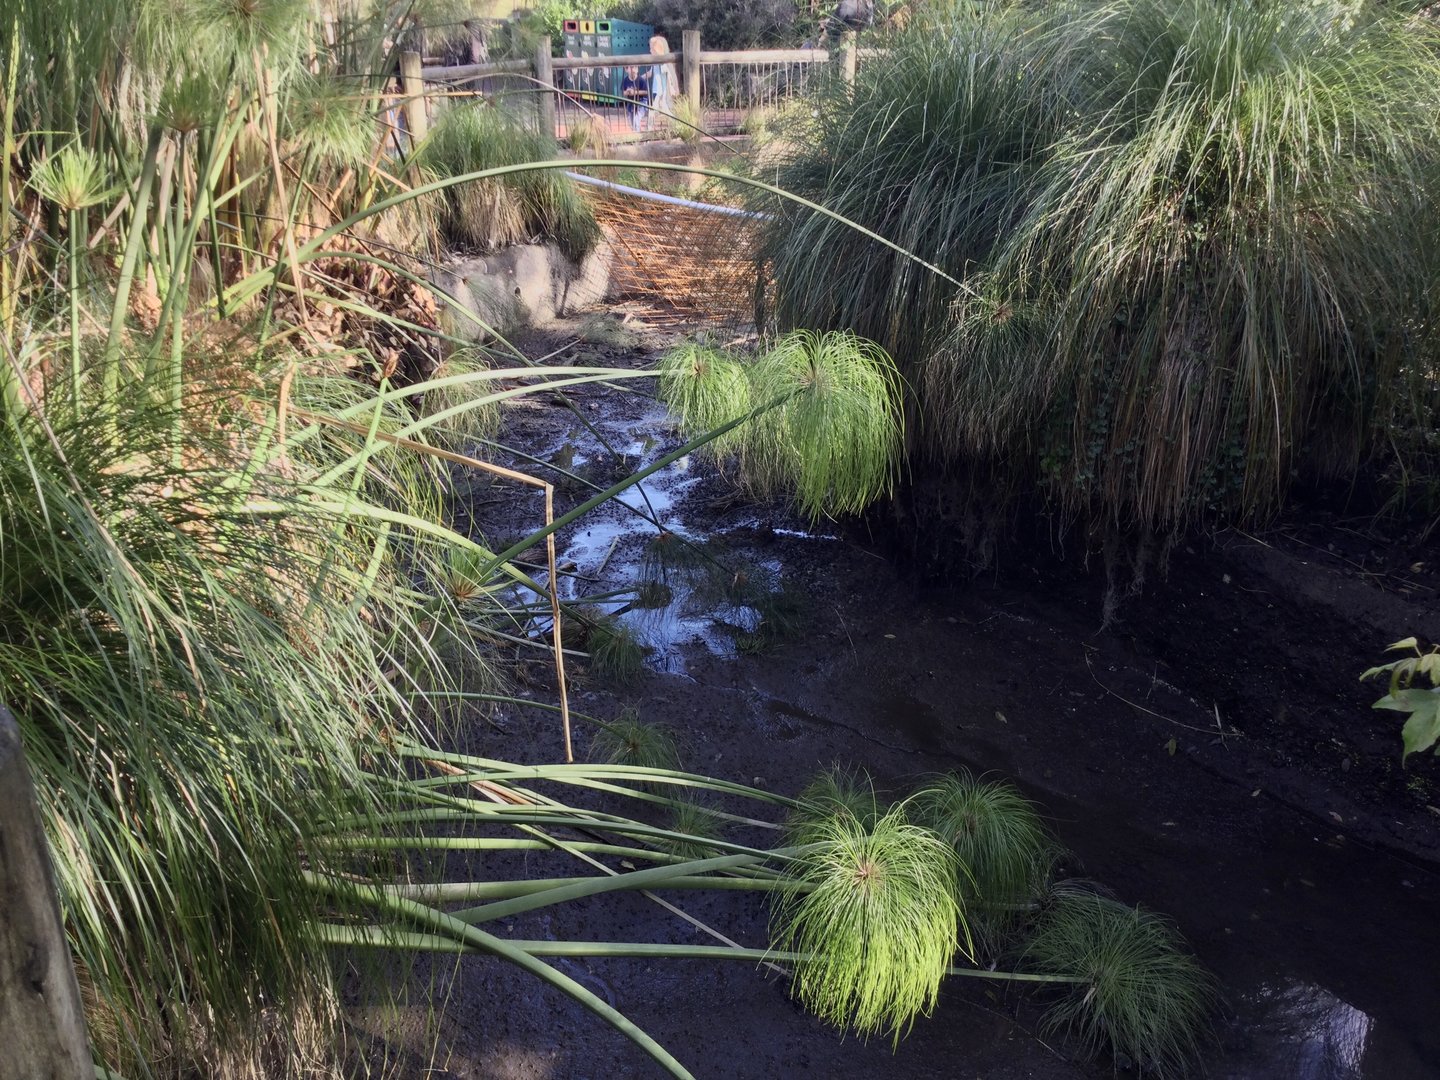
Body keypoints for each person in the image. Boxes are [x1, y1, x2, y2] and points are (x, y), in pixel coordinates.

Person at [646, 34, 675, 132]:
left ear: (656, 50)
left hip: (660, 92)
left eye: (651, 49)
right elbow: (650, 73)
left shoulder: (662, 63)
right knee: (661, 110)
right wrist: (639, 78)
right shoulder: (655, 63)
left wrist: (671, 87)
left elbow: (668, 75)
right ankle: (675, 125)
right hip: (657, 91)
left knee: (654, 110)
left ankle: (649, 130)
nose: (650, 51)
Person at [620, 65, 649, 132]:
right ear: (626, 69)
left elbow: (646, 91)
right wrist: (627, 92)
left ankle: (637, 132)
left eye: (635, 67)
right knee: (631, 119)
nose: (633, 69)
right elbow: (623, 92)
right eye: (631, 67)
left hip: (641, 101)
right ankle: (635, 131)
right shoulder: (625, 80)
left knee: (637, 117)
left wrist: (635, 92)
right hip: (631, 102)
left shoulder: (641, 80)